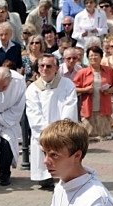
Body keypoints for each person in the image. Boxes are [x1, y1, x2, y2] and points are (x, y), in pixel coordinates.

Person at [25, 54, 79, 190]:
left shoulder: (67, 84)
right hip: (43, 132)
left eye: (49, 66)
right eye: (42, 66)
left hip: (62, 131)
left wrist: (61, 130)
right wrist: (48, 132)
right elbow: (33, 113)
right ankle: (45, 177)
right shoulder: (32, 88)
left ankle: (65, 176)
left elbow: (70, 107)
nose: (45, 69)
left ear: (56, 68)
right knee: (45, 165)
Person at [73, 45, 113, 141]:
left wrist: (109, 90)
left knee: (105, 138)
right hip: (88, 108)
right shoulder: (82, 72)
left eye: (96, 55)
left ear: (101, 57)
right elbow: (73, 89)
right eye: (91, 56)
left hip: (104, 108)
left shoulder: (109, 70)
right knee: (90, 138)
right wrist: (85, 90)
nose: (93, 57)